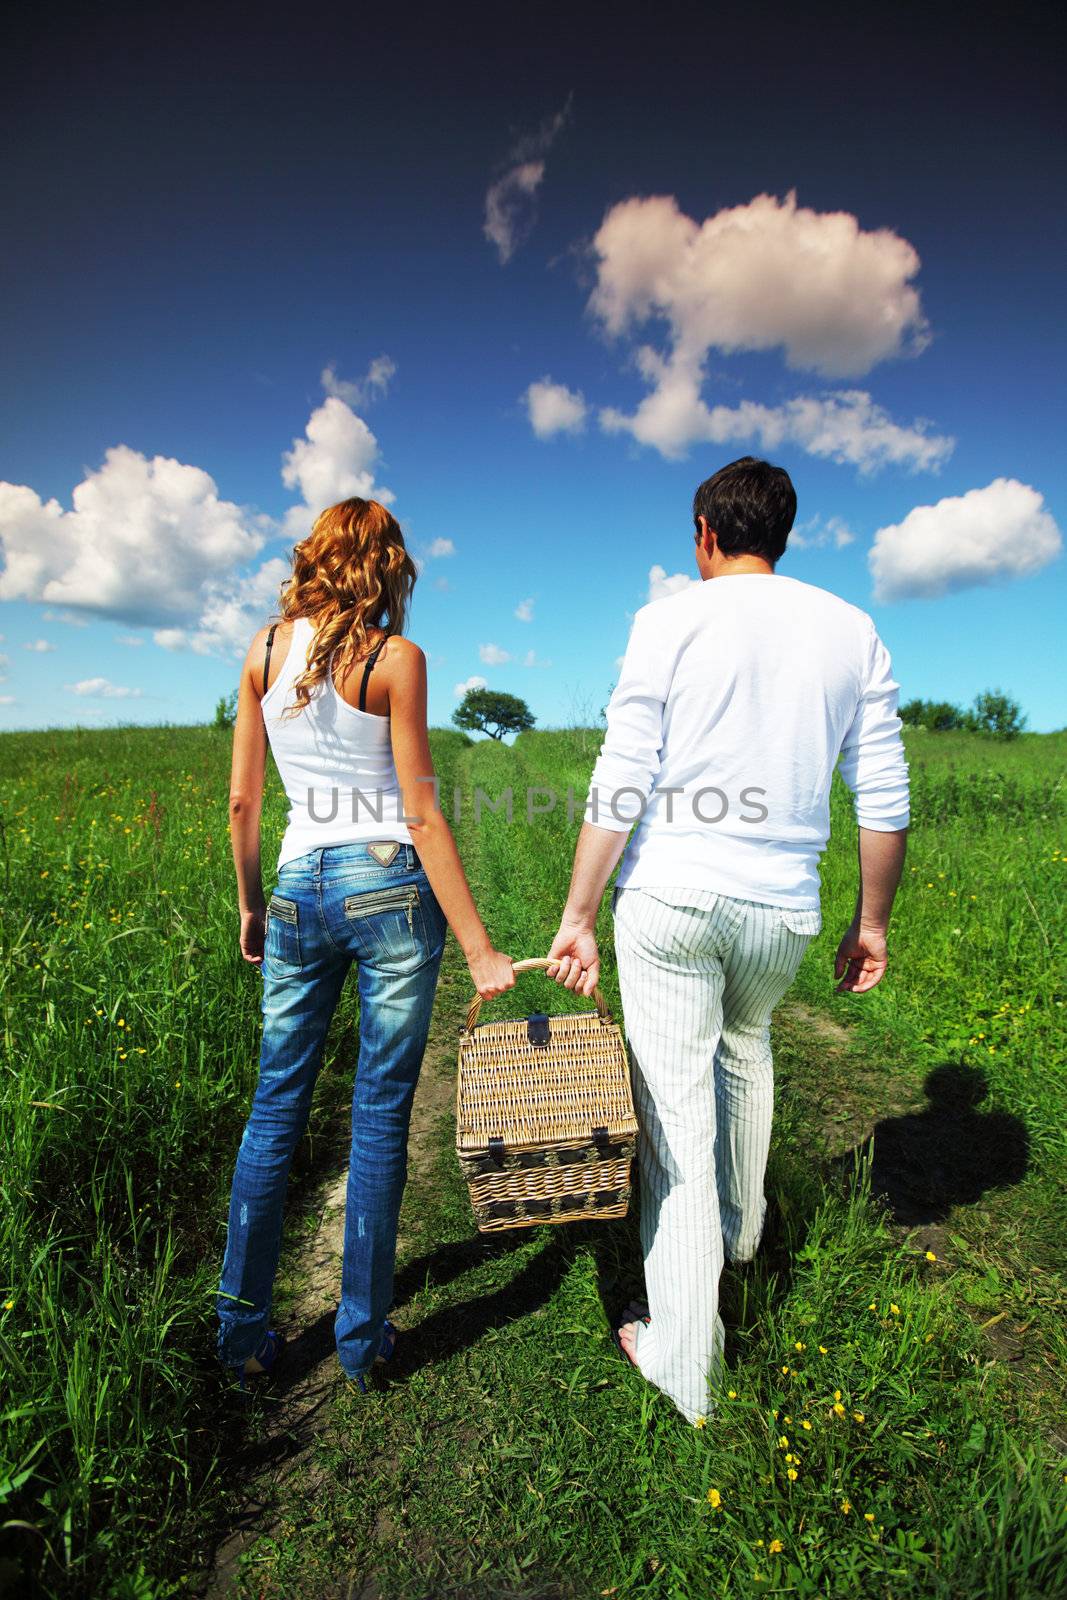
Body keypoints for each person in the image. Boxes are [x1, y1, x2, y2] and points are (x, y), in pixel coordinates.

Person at [546, 456, 909, 1424]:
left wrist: (578, 914)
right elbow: (881, 792)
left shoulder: (666, 618)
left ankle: (684, 1359)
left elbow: (622, 771)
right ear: (780, 534)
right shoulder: (850, 630)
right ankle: (741, 1239)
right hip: (779, 909)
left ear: (704, 531)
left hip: (669, 899)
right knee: (744, 1051)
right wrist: (868, 921)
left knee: (674, 1121)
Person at [218, 496, 514, 1390]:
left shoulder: (263, 652)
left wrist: (249, 906)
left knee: (276, 1104)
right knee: (380, 1113)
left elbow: (242, 802)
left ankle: (240, 1341)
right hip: (387, 884)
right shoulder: (395, 658)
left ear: (314, 558)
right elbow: (418, 809)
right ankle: (359, 1343)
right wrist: (478, 948)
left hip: (298, 886)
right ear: (387, 567)